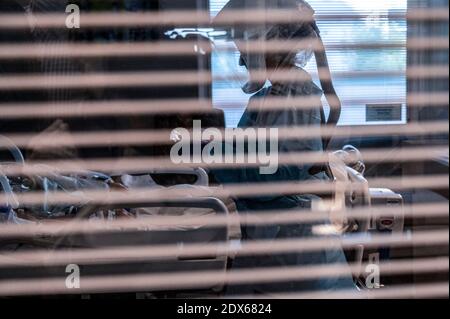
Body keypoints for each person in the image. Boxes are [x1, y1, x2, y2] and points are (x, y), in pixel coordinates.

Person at [211, 0, 355, 294]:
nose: (241, 61)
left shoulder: (295, 97)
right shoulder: (268, 99)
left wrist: (214, 156)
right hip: (273, 242)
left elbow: (273, 173)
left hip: (294, 249)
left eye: (243, 48)